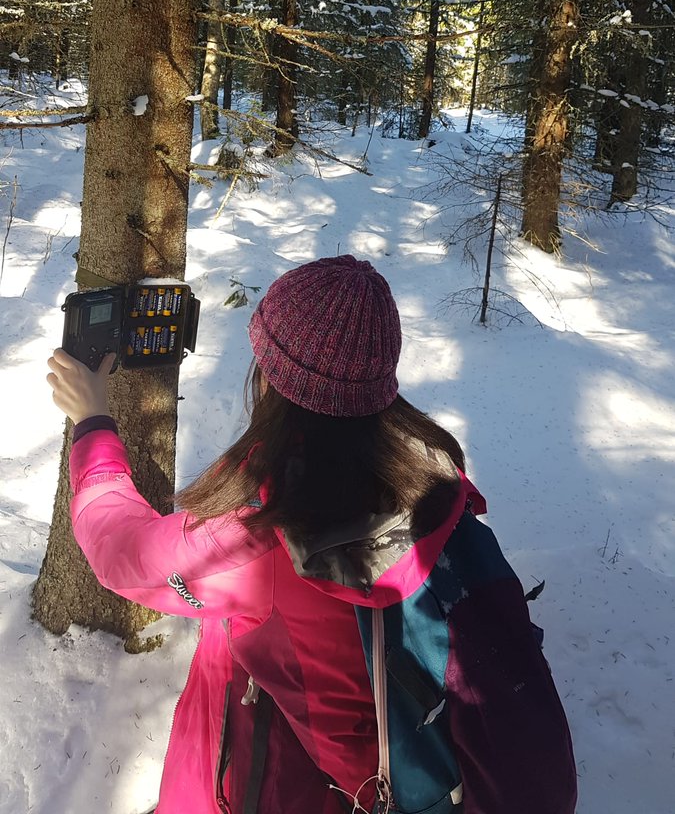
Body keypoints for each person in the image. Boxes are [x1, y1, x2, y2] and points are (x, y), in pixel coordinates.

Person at [47, 255, 577, 814]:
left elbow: (124, 554)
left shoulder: (264, 539)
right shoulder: (434, 484)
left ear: (274, 377)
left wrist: (92, 425)